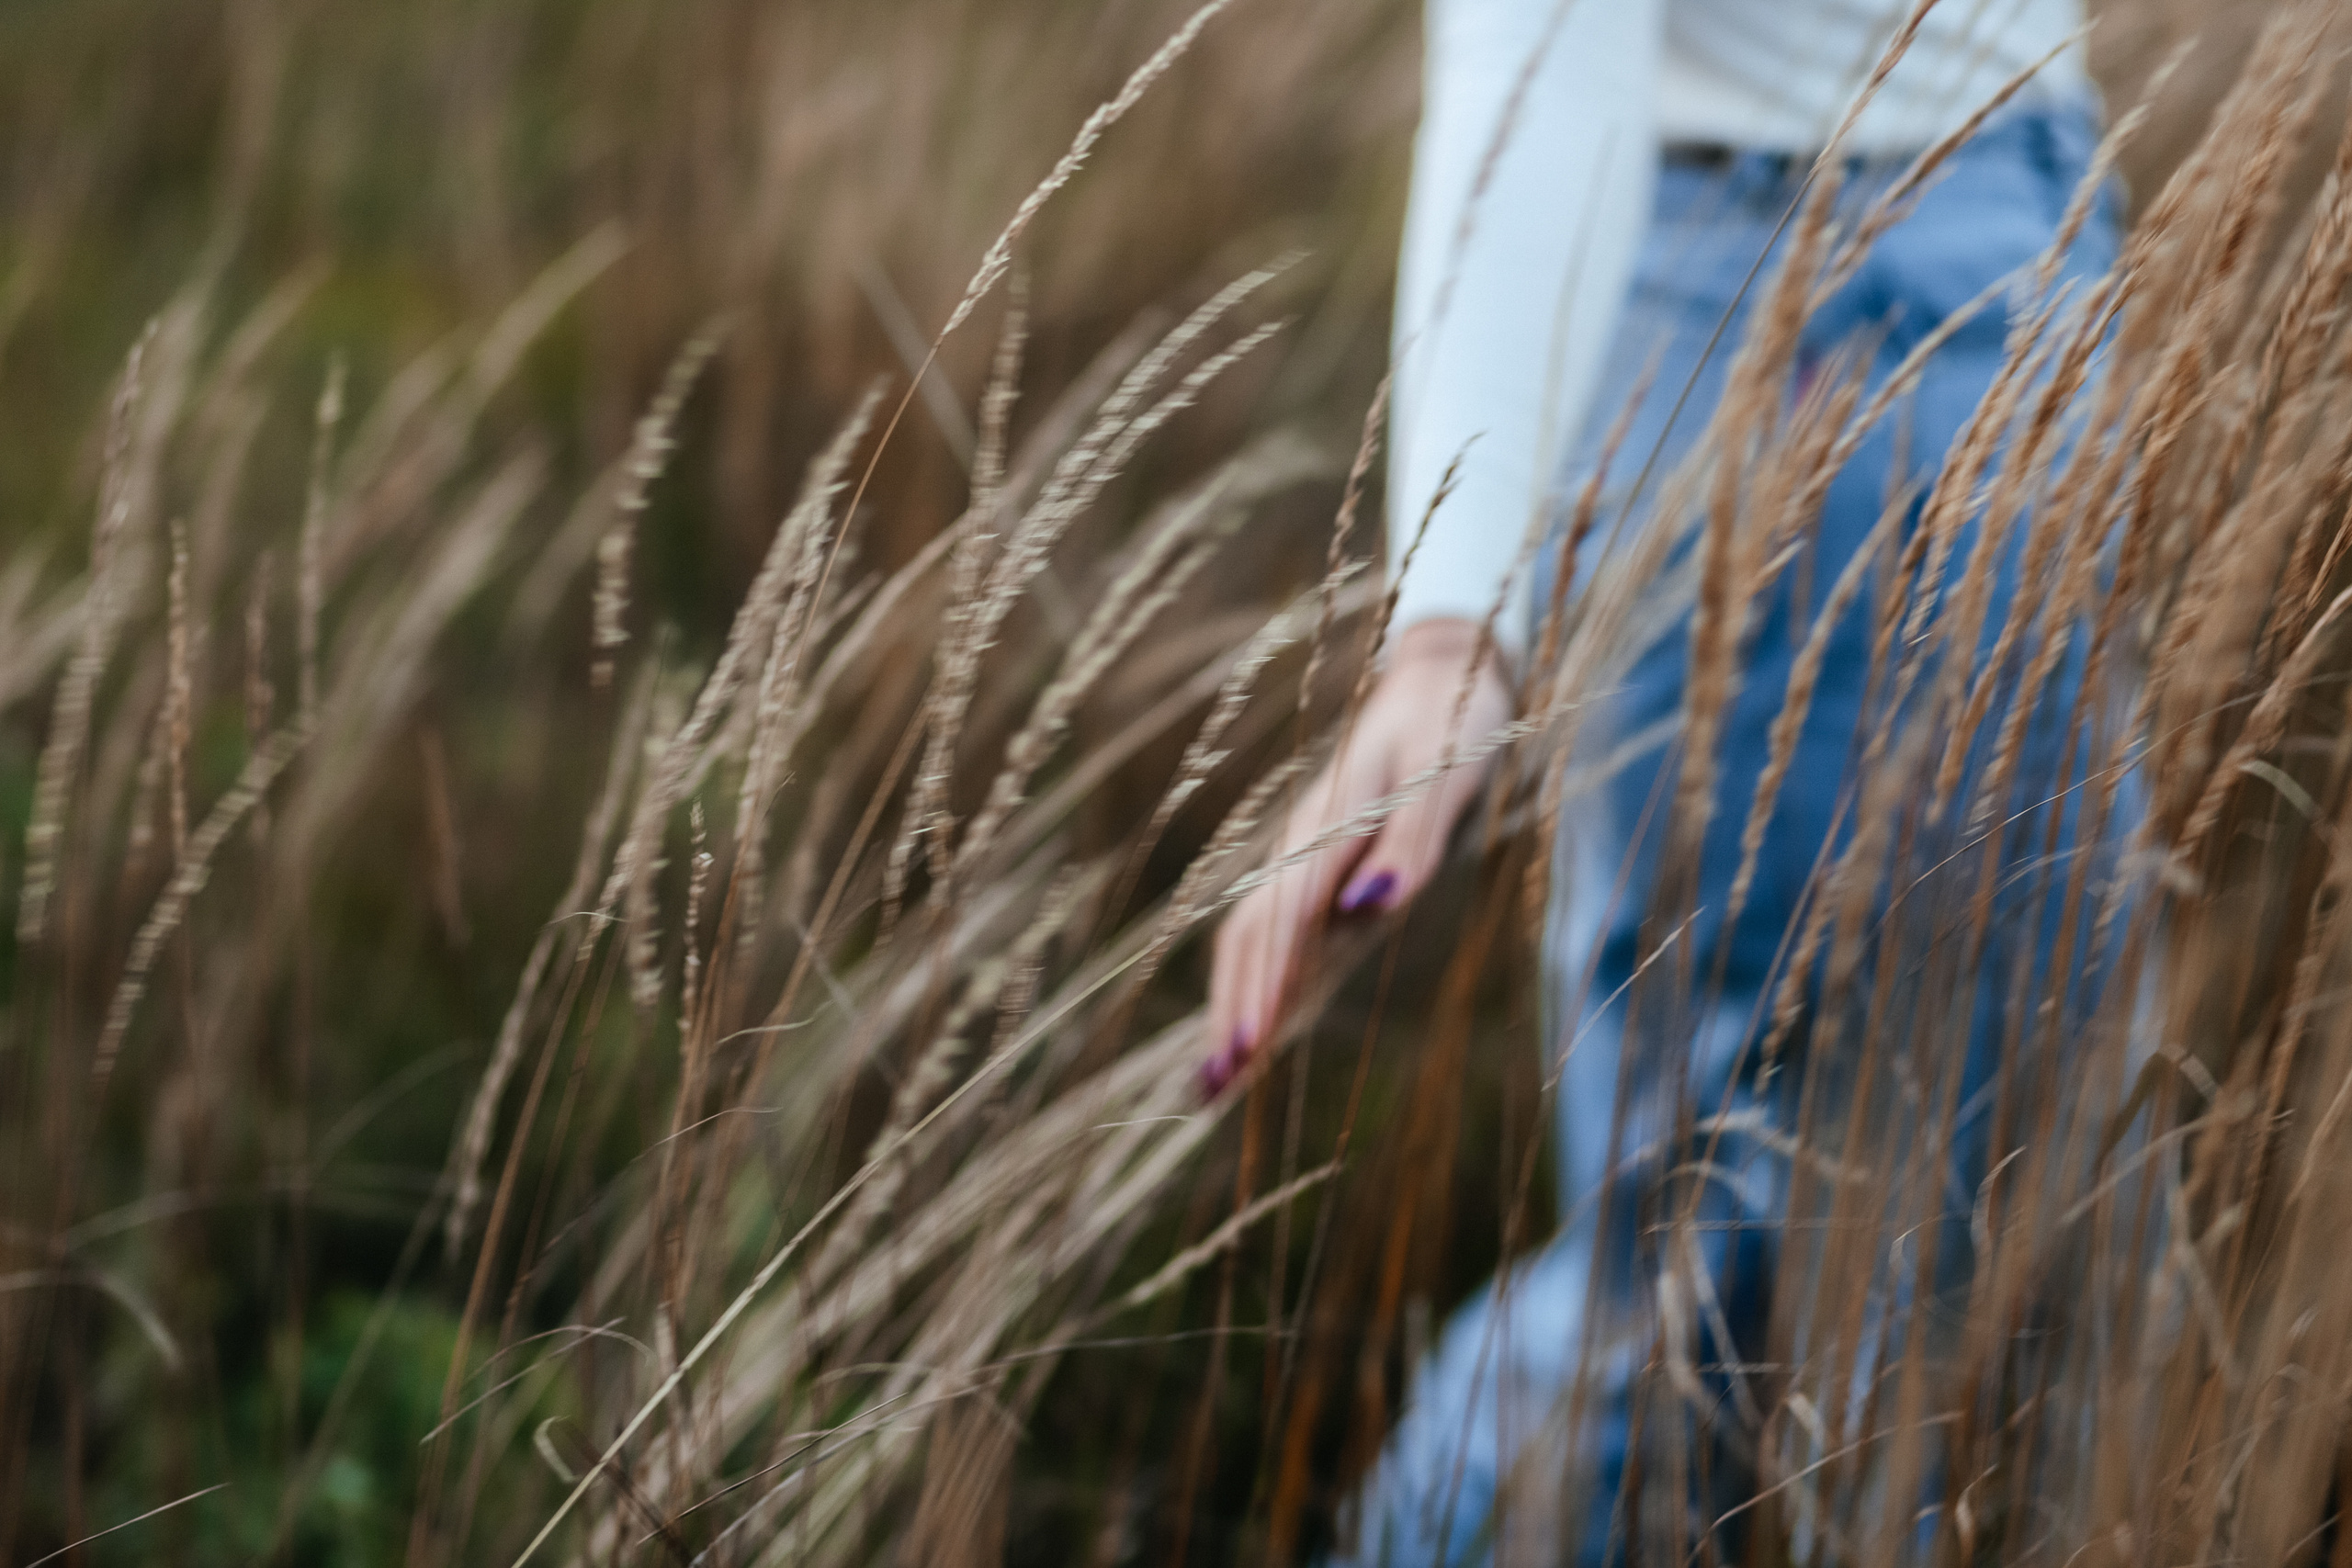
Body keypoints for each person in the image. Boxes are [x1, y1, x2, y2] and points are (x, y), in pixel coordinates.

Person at [1204, 0, 2132, 1562]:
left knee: (1994, 1185)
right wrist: (1450, 637)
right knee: (1727, 1228)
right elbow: (1539, 36)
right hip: (1811, 273)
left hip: (2014, 230)